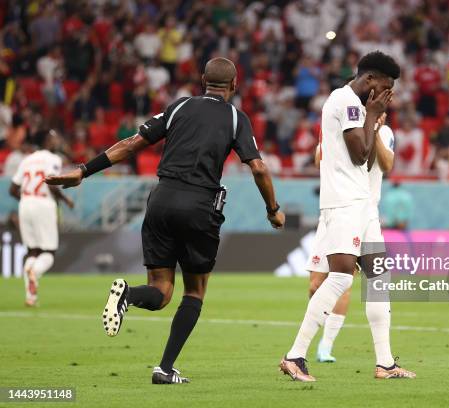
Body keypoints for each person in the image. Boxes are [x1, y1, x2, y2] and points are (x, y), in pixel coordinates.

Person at [46, 58, 285, 384]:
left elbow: (132, 144)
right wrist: (273, 209)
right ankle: (165, 368)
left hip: (161, 200)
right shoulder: (235, 117)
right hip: (199, 205)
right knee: (195, 291)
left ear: (203, 80)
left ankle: (128, 296)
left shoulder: (179, 107)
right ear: (234, 85)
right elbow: (258, 167)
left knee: (161, 290)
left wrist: (83, 171)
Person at [279, 51, 415, 382]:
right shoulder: (349, 102)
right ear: (369, 80)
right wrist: (372, 113)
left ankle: (385, 362)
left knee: (379, 282)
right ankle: (295, 355)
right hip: (345, 203)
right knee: (339, 279)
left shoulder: (354, 105)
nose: (388, 94)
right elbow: (361, 153)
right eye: (385, 86)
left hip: (364, 206)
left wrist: (373, 116)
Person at [307, 113, 395, 363]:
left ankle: (325, 346)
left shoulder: (386, 133)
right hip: (331, 213)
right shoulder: (341, 129)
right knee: (315, 284)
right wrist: (326, 139)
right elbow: (318, 161)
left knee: (346, 279)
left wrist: (375, 130)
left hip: (363, 215)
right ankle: (307, 343)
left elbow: (387, 164)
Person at [9, 130, 74, 307]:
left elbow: (12, 190)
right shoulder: (53, 159)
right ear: (46, 140)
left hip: (25, 204)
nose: (56, 141)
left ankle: (31, 297)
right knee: (48, 253)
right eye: (53, 138)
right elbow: (51, 183)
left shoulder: (27, 159)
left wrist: (27, 199)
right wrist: (66, 200)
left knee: (32, 251)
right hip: (43, 205)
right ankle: (34, 272)